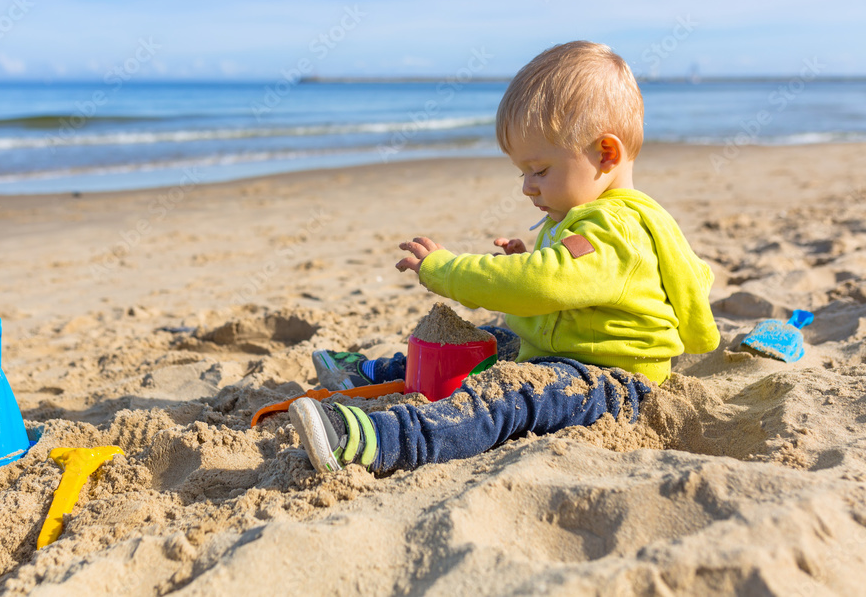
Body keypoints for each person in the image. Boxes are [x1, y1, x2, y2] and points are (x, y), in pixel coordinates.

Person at [289, 41, 720, 475]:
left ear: (605, 154)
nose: (527, 187)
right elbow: (575, 280)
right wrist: (533, 254)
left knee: (508, 397)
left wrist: (448, 269)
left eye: (540, 171)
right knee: (489, 342)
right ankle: (376, 373)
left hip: (613, 384)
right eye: (523, 173)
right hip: (564, 350)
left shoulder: (615, 229)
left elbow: (545, 283)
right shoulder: (589, 217)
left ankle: (380, 440)